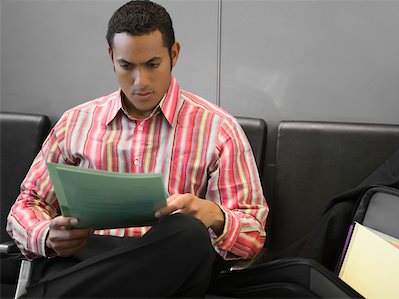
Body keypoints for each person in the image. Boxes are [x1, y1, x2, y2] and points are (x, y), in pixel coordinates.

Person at [6, 1, 268, 297]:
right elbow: (26, 206)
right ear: (111, 57)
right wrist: (47, 235)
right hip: (87, 260)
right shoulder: (76, 123)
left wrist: (213, 215)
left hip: (168, 266)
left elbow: (254, 237)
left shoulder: (219, 129)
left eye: (152, 65)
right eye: (126, 66)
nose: (140, 82)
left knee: (189, 233)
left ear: (174, 54)